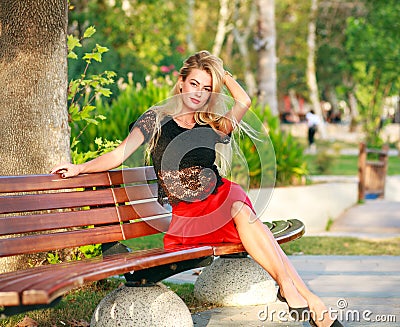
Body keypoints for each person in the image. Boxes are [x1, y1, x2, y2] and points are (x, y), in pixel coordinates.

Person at [52, 51, 343, 327]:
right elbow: (118, 155)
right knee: (251, 220)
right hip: (191, 217)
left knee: (239, 204)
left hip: (223, 199)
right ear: (180, 83)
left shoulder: (210, 124)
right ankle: (308, 300)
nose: (198, 92)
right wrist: (80, 168)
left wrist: (222, 74)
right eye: (193, 83)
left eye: (206, 88)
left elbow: (244, 100)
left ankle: (297, 293)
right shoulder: (155, 119)